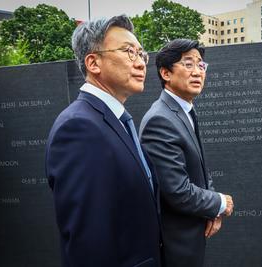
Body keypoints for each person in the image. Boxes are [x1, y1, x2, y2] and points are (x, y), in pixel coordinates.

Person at [45, 15, 161, 267]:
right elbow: (88, 241)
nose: (140, 62)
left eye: (141, 54)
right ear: (93, 63)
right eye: (128, 51)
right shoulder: (79, 128)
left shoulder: (115, 120)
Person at [139, 39, 234, 267]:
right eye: (188, 64)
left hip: (192, 234)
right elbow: (177, 190)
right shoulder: (160, 120)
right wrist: (220, 202)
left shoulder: (185, 110)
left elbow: (200, 168)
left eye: (201, 65)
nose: (197, 72)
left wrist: (212, 211)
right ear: (166, 73)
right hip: (175, 246)